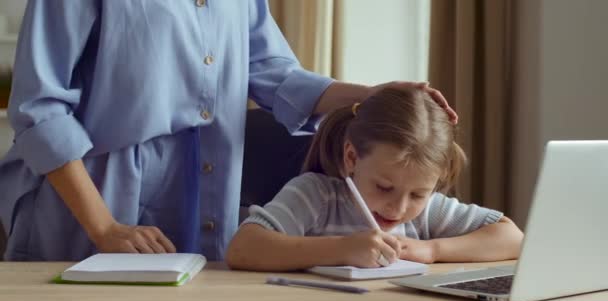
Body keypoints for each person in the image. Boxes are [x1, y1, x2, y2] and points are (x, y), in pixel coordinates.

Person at [0, 1, 456, 261]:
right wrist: (105, 227)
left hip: (202, 190)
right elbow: (39, 108)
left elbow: (273, 73)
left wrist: (371, 93)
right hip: (95, 200)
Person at [226, 87, 523, 271]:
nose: (398, 208)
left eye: (418, 194)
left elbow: (513, 238)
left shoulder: (427, 211)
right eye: (384, 187)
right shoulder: (316, 195)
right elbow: (243, 248)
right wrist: (342, 249)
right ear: (352, 158)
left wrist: (433, 250)